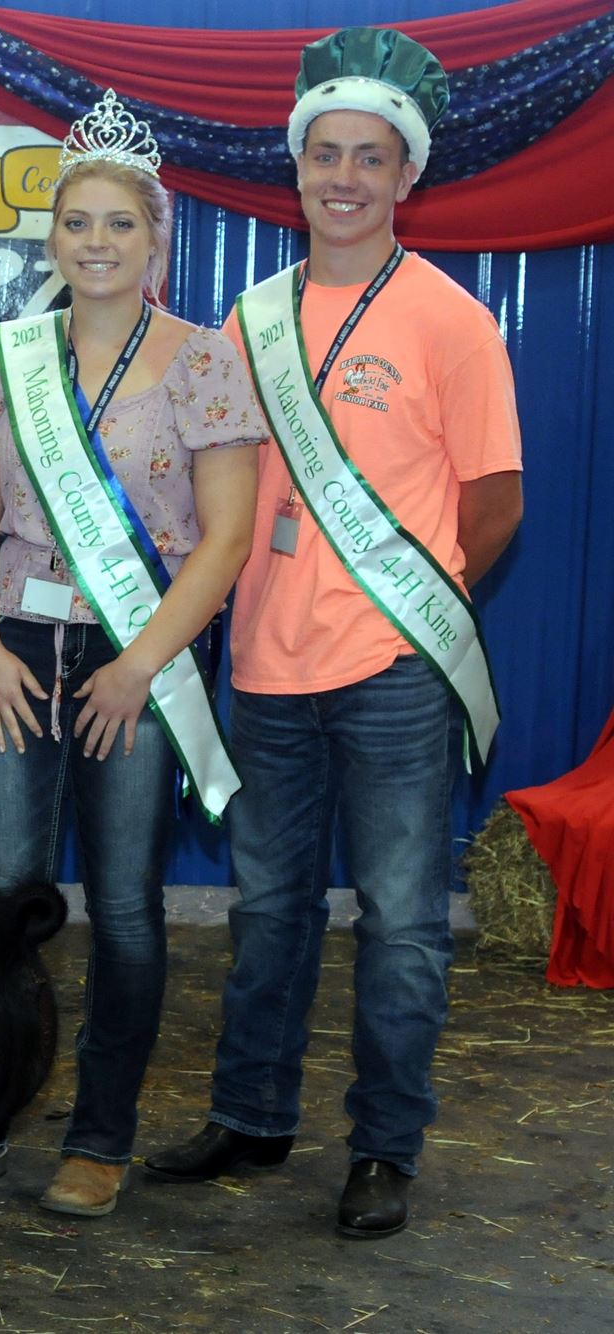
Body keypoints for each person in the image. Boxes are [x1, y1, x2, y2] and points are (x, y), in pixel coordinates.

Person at [145, 29, 523, 1240]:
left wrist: (409, 603)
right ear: (296, 169)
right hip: (263, 659)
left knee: (404, 919)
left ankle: (383, 1145)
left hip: (392, 667)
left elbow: (493, 499)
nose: (344, 177)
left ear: (402, 176)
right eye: (324, 155)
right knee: (265, 910)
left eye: (369, 156)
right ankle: (252, 1114)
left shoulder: (452, 321)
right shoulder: (247, 318)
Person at [0, 92, 262, 1219]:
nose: (94, 242)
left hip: (145, 650)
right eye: (75, 223)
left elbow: (224, 537)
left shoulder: (205, 359)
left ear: (154, 238)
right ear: (51, 237)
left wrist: (134, 669)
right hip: (18, 645)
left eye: (117, 224)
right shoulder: (7, 357)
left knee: (125, 903)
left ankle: (98, 1134)